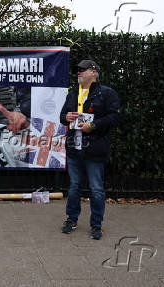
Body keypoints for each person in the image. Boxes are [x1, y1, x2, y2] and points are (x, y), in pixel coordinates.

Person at [59, 60, 120, 240]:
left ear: (94, 72)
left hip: (95, 149)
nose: (78, 73)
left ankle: (96, 225)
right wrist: (66, 117)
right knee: (74, 187)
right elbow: (63, 116)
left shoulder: (107, 93)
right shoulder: (73, 93)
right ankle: (71, 219)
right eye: (77, 70)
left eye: (82, 70)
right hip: (74, 148)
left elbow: (114, 117)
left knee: (96, 189)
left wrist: (93, 125)